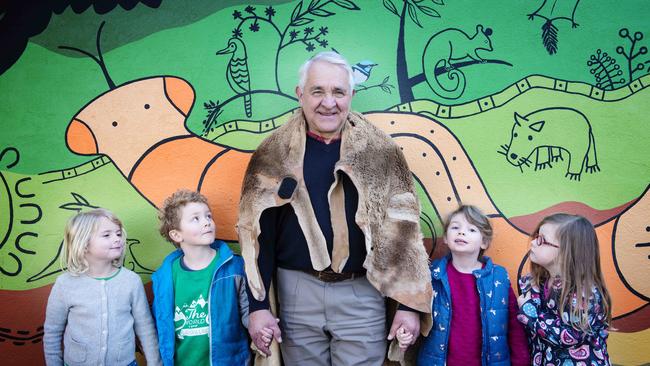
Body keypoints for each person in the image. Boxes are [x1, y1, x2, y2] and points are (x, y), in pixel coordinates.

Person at [237, 51, 433, 365]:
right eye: (318, 91)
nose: (329, 102)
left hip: (363, 292)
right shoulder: (272, 153)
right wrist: (258, 308)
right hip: (296, 291)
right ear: (300, 94)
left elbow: (404, 232)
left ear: (351, 95)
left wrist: (409, 305)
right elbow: (257, 235)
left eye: (338, 92)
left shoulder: (381, 151)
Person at [43, 208, 161, 366]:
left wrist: (155, 363)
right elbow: (52, 333)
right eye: (107, 235)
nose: (117, 239)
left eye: (118, 234)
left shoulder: (131, 281)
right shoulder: (65, 284)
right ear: (83, 243)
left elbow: (145, 328)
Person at [416, 205, 530, 365]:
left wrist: (521, 362)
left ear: (484, 242)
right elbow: (413, 306)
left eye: (471, 230)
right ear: (446, 238)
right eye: (455, 227)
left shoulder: (499, 278)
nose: (462, 232)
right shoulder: (432, 275)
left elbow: (514, 325)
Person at [151, 190, 250, 366]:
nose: (207, 222)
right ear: (176, 235)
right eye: (195, 219)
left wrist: (262, 328)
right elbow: (161, 324)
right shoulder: (164, 277)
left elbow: (248, 313)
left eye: (208, 216)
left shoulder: (235, 267)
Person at [517, 213, 612, 365]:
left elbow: (569, 336)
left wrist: (529, 311)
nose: (534, 242)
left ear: (567, 252)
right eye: (536, 236)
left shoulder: (585, 295)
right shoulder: (539, 282)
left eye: (542, 240)